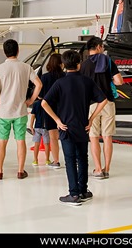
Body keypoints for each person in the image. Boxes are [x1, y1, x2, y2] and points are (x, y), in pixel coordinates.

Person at [42, 49, 108, 206]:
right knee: (82, 158)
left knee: (70, 160)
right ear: (79, 64)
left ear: (64, 65)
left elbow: (44, 103)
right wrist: (91, 119)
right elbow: (103, 100)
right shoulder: (87, 81)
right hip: (82, 126)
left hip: (66, 128)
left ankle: (73, 194)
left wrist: (57, 120)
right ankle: (83, 190)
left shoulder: (60, 83)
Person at [0, 38, 43, 180]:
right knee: (20, 141)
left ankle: (0, 171)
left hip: (3, 112)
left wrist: (0, 99)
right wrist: (31, 100)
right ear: (18, 51)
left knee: (2, 141)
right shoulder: (26, 67)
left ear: (4, 52)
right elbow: (39, 85)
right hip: (20, 111)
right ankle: (20, 171)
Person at [79, 36, 124, 179]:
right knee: (107, 137)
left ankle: (98, 169)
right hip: (107, 102)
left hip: (91, 105)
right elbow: (119, 81)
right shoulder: (108, 61)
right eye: (102, 46)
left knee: (93, 137)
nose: (103, 49)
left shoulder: (83, 65)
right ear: (98, 47)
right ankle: (107, 168)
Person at [39, 52, 65, 168]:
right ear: (61, 64)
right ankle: (71, 159)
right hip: (64, 109)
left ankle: (56, 161)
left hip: (49, 110)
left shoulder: (44, 77)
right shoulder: (65, 76)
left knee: (53, 137)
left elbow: (40, 95)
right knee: (66, 136)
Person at [28, 98, 50, 166]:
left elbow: (33, 116)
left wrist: (31, 126)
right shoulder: (48, 103)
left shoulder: (36, 104)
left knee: (36, 144)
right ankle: (47, 160)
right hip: (46, 127)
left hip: (37, 127)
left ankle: (35, 160)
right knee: (46, 144)